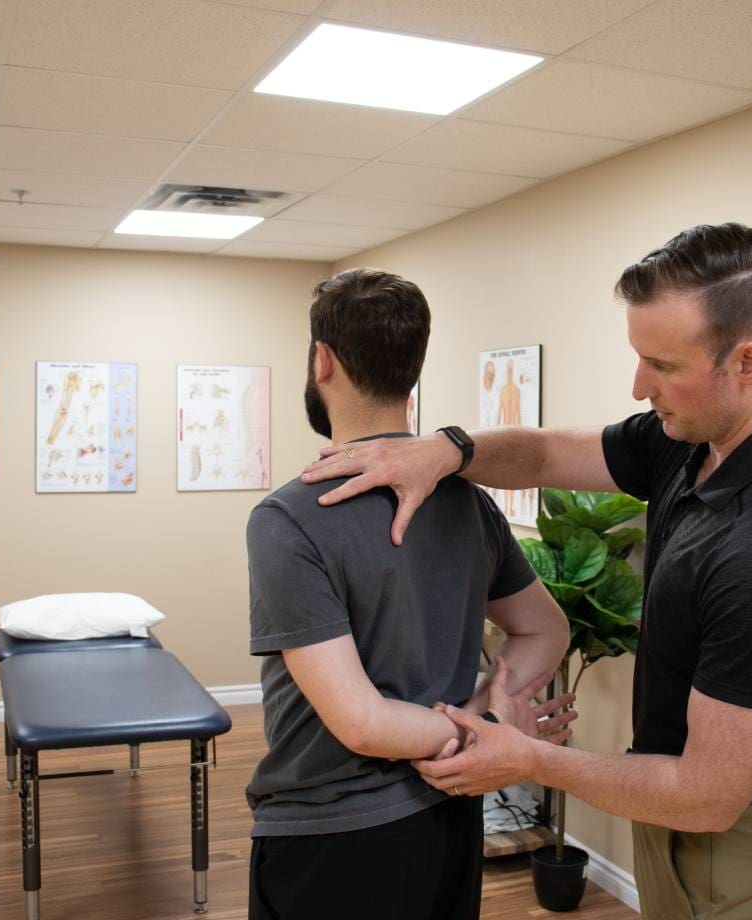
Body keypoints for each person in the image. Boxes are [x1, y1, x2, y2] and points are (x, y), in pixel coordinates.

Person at [301, 225, 752, 920]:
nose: (638, 386)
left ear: (747, 362)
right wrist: (443, 452)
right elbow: (540, 455)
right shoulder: (695, 445)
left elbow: (708, 795)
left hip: (740, 840)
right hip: (682, 816)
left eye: (661, 364)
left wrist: (528, 761)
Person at [245, 268, 576, 920]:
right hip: (448, 819)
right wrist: (488, 718)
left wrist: (482, 725)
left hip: (331, 838)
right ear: (412, 371)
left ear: (322, 361)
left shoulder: (290, 516)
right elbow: (548, 630)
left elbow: (363, 724)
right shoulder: (468, 503)